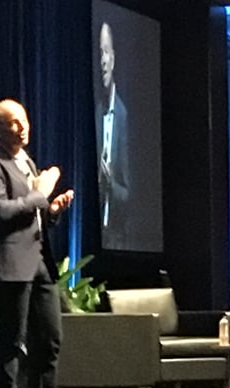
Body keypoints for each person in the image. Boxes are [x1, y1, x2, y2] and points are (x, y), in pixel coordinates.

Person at [0, 99, 86, 388]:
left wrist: (51, 211)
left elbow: (31, 215)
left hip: (39, 261)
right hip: (10, 264)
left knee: (50, 338)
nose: (22, 128)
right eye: (13, 123)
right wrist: (40, 195)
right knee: (11, 341)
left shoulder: (25, 160)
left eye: (24, 121)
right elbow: (1, 212)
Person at [96, 21, 130, 251]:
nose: (103, 61)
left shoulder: (123, 115)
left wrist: (110, 185)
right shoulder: (96, 110)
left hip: (117, 239)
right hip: (97, 234)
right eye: (100, 53)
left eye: (106, 52)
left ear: (114, 59)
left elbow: (129, 194)